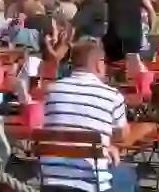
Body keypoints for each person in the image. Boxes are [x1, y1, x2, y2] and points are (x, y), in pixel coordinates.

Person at [40, 41, 136, 192]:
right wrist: (107, 144)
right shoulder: (112, 96)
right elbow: (123, 135)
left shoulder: (51, 91)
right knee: (128, 175)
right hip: (91, 181)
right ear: (98, 64)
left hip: (51, 177)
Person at [103, 0, 155, 64]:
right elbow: (151, 10)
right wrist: (150, 29)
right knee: (132, 65)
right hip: (133, 36)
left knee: (113, 66)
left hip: (114, 36)